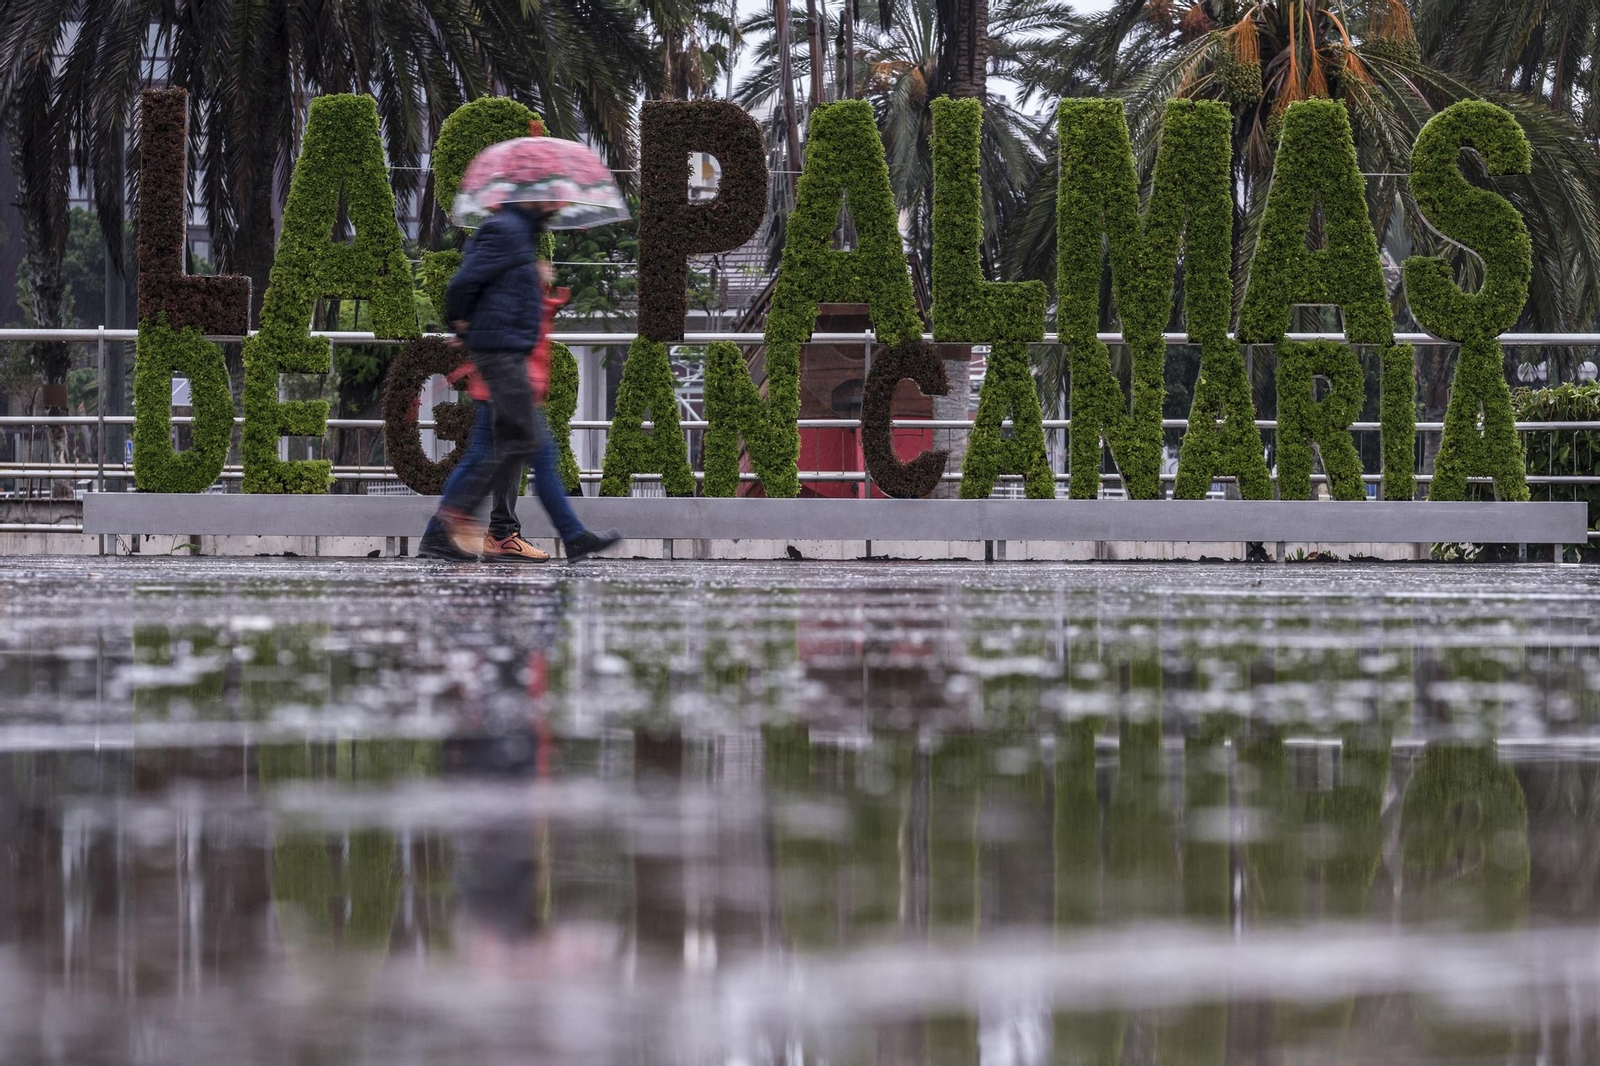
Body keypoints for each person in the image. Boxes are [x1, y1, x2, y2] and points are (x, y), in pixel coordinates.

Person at [418, 199, 620, 563]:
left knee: (521, 452)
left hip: (507, 355)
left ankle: (442, 532)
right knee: (525, 445)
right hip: (502, 357)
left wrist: (535, 282)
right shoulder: (505, 230)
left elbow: (503, 296)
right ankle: (454, 519)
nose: (557, 204)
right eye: (550, 197)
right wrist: (461, 323)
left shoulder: (519, 235)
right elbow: (463, 284)